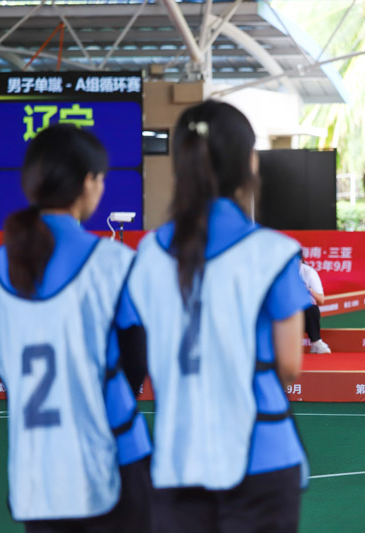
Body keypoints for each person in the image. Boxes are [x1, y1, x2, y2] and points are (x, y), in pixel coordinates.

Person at [124, 101, 309, 533]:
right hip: (260, 452)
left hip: (177, 458)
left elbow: (139, 350)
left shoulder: (148, 253)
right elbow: (290, 366)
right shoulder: (273, 252)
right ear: (250, 162)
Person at [0, 125, 152, 532]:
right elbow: (135, 363)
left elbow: (3, 362)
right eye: (102, 179)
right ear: (88, 182)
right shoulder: (113, 262)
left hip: (35, 474)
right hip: (113, 462)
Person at [300, 252, 332, 354]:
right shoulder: (280, 272)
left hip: (301, 312)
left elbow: (321, 300)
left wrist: (308, 289)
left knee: (311, 306)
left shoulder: (308, 272)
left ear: (301, 259)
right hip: (283, 310)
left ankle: (316, 342)